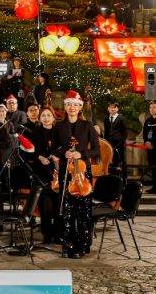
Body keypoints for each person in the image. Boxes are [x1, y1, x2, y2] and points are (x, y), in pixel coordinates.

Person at [54, 91, 98, 259]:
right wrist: (63, 152)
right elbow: (54, 148)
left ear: (80, 107)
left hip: (82, 172)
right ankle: (67, 244)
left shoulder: (87, 126)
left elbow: (96, 150)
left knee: (82, 210)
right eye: (68, 104)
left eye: (75, 105)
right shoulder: (59, 126)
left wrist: (81, 153)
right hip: (67, 171)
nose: (71, 107)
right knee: (67, 210)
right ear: (65, 107)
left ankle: (81, 245)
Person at [26, 107, 61, 243]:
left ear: (53, 117)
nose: (46, 118)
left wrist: (56, 155)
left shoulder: (59, 132)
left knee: (58, 205)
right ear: (40, 118)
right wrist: (39, 157)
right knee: (45, 206)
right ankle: (47, 234)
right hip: (41, 173)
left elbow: (64, 147)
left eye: (49, 115)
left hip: (57, 171)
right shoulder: (35, 133)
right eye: (43, 115)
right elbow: (29, 152)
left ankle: (58, 234)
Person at [103, 101, 128, 175]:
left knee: (120, 162)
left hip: (119, 144)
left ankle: (122, 180)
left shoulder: (121, 118)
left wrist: (121, 142)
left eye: (114, 107)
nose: (112, 109)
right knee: (110, 161)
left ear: (117, 109)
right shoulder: (106, 118)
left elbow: (125, 133)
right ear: (108, 108)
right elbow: (106, 131)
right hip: (109, 144)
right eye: (111, 107)